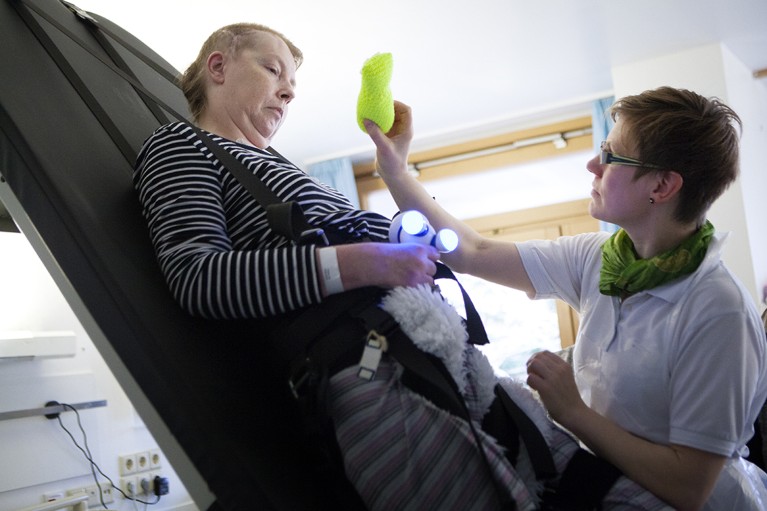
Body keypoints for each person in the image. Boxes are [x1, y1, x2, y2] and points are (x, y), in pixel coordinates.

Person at [133, 22, 675, 510]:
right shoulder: (179, 145)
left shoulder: (281, 169)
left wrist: (394, 185)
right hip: (373, 378)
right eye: (273, 70)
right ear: (219, 67)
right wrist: (364, 261)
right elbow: (197, 277)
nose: (289, 90)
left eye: (292, 82)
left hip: (440, 359)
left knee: (612, 494)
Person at [365, 87, 767, 510]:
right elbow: (471, 252)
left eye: (611, 157)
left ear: (663, 185)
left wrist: (574, 412)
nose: (593, 164)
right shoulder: (599, 258)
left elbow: (689, 486)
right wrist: (395, 171)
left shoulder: (719, 311)